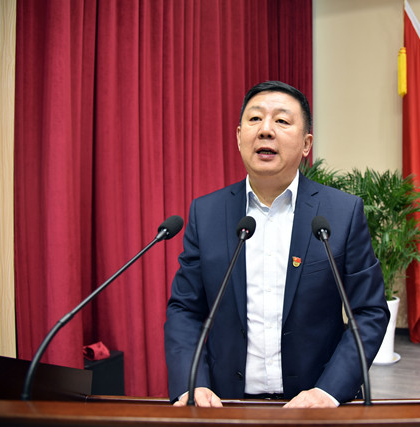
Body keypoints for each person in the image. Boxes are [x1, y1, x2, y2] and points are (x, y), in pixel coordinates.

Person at [164, 81, 389, 408]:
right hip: (224, 405)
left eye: (281, 121)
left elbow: (369, 312)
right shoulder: (207, 213)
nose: (266, 130)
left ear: (306, 144)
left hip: (315, 407)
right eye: (255, 119)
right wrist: (192, 383)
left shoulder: (341, 213)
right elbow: (185, 310)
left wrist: (329, 392)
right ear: (238, 136)